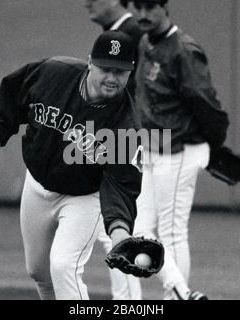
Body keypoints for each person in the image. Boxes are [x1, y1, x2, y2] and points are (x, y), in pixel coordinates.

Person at [0, 30, 143, 300]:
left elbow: (121, 184)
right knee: (39, 272)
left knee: (64, 266)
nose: (112, 78)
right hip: (37, 185)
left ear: (131, 72)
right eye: (105, 69)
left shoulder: (126, 127)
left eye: (120, 72)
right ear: (90, 62)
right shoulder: (55, 73)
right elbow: (9, 95)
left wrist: (120, 232)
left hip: (84, 198)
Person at [130, 0, 230, 300]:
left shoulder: (183, 49)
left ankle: (176, 297)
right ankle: (182, 294)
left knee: (172, 232)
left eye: (150, 7)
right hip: (152, 147)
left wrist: (210, 140)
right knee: (139, 229)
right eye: (139, 7)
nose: (144, 15)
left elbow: (206, 102)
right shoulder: (146, 41)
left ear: (164, 7)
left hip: (179, 149)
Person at [84, 0, 144, 300]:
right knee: (121, 229)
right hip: (119, 139)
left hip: (131, 139)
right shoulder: (118, 33)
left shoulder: (133, 32)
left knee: (120, 225)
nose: (86, 3)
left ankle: (173, 293)